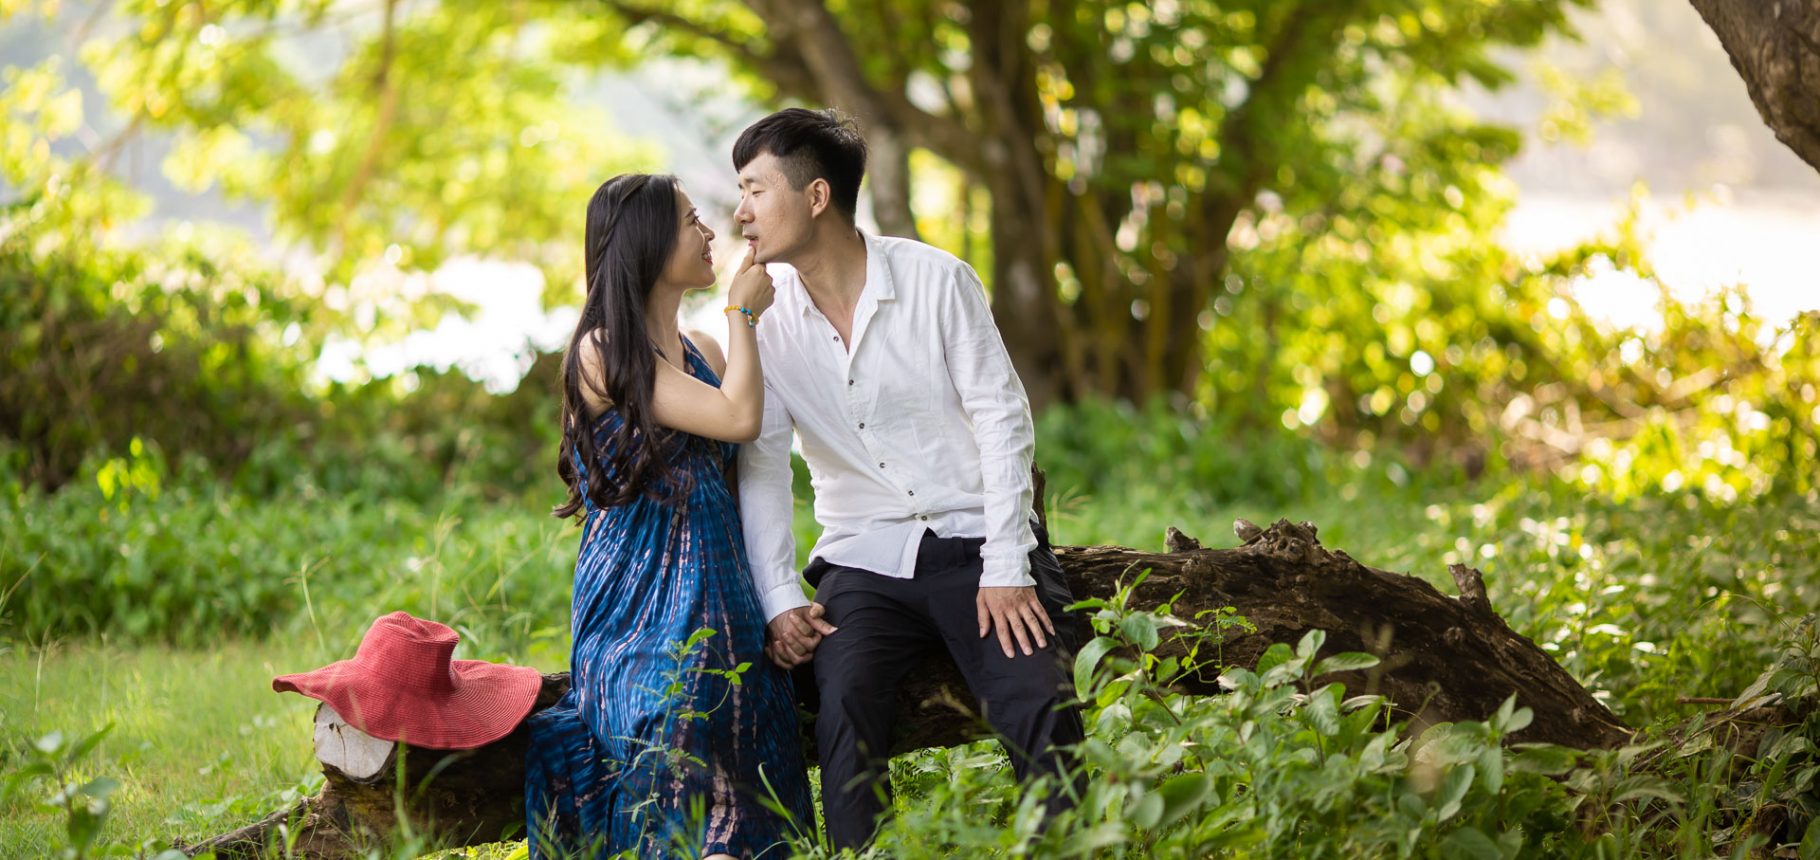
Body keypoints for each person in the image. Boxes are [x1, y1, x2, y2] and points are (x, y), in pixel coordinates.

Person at [732, 108, 1086, 851]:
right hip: (864, 558)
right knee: (843, 704)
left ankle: (1065, 846)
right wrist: (778, 596)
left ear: (817, 197)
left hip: (973, 540)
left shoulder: (935, 279)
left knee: (1036, 699)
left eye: (755, 190)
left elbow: (1002, 420)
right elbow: (763, 465)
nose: (740, 214)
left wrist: (1008, 564)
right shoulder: (762, 318)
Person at [523, 173, 813, 859]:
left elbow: (749, 475)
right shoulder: (600, 353)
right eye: (691, 221)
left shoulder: (704, 353)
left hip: (724, 599)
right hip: (640, 610)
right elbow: (738, 418)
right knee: (673, 729)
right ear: (648, 242)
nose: (711, 231)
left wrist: (778, 596)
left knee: (753, 740)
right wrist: (742, 313)